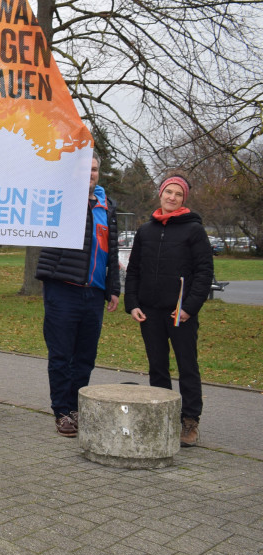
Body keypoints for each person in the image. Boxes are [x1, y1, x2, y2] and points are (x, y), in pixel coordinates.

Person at [124, 175, 214, 447]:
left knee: (187, 367)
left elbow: (204, 272)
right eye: (168, 192)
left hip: (180, 313)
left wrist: (189, 308)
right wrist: (133, 303)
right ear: (160, 194)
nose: (172, 197)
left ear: (183, 199)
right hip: (149, 311)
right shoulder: (145, 230)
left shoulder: (194, 230)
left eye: (177, 194)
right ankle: (164, 415)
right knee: (157, 367)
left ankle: (189, 421)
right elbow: (134, 270)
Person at [36, 154, 121, 437]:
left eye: (94, 169)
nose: (91, 174)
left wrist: (113, 288)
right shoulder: (60, 199)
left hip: (94, 294)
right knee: (61, 355)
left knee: (86, 357)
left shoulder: (106, 207)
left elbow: (112, 251)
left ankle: (75, 407)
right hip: (63, 290)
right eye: (85, 169)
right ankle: (62, 410)